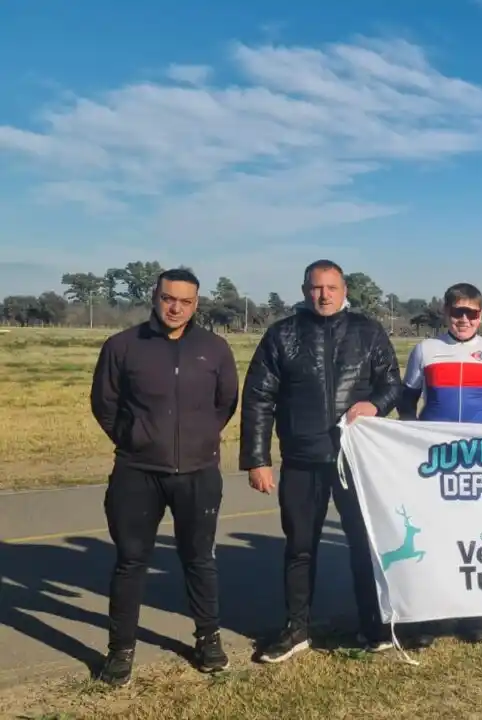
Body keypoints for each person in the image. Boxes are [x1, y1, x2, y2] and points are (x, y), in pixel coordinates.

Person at [241, 259, 403, 663]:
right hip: (302, 458)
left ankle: (374, 625)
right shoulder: (283, 335)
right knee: (300, 547)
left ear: (345, 290)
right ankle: (297, 629)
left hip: (355, 460)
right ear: (303, 290)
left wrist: (376, 403)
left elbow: (392, 383)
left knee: (364, 545)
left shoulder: (368, 332)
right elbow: (259, 398)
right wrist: (257, 459)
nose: (324, 295)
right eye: (316, 288)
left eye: (332, 287)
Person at [89, 268, 240, 687]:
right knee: (131, 562)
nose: (175, 308)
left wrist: (200, 438)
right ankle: (120, 651)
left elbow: (225, 402)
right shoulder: (123, 346)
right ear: (155, 297)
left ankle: (208, 640)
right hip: (137, 473)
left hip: (198, 473)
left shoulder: (214, 349)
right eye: (168, 298)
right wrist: (134, 439)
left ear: (196, 304)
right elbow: (104, 402)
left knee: (199, 559)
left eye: (185, 301)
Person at [397, 282, 482, 644]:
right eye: (457, 312)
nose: (464, 319)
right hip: (436, 460)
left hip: (479, 461)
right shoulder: (426, 350)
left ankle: (471, 615)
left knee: (475, 538)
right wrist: (412, 442)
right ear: (446, 313)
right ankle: (428, 618)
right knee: (434, 536)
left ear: (481, 316)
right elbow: (407, 401)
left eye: (471, 313)